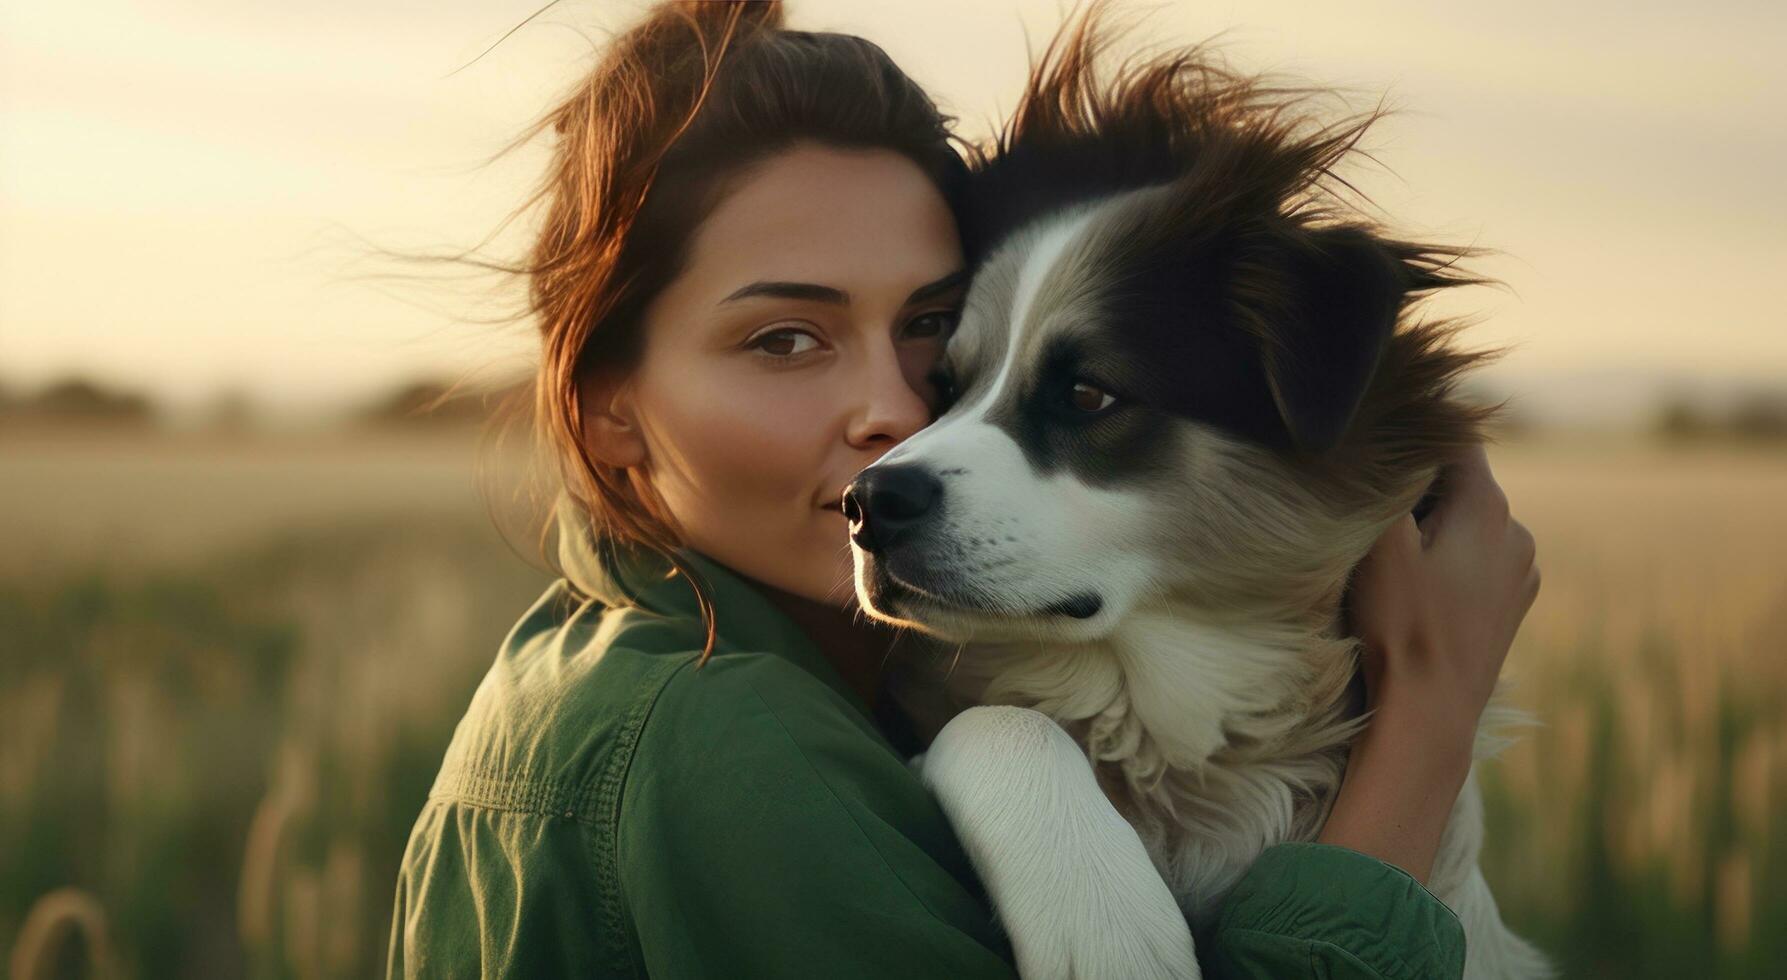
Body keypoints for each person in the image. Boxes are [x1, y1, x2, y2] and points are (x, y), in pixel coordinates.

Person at [384, 3, 1542, 978]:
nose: (897, 421)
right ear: (605, 407)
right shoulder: (720, 745)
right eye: (784, 339)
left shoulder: (716, 665)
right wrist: (1422, 732)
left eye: (930, 333)